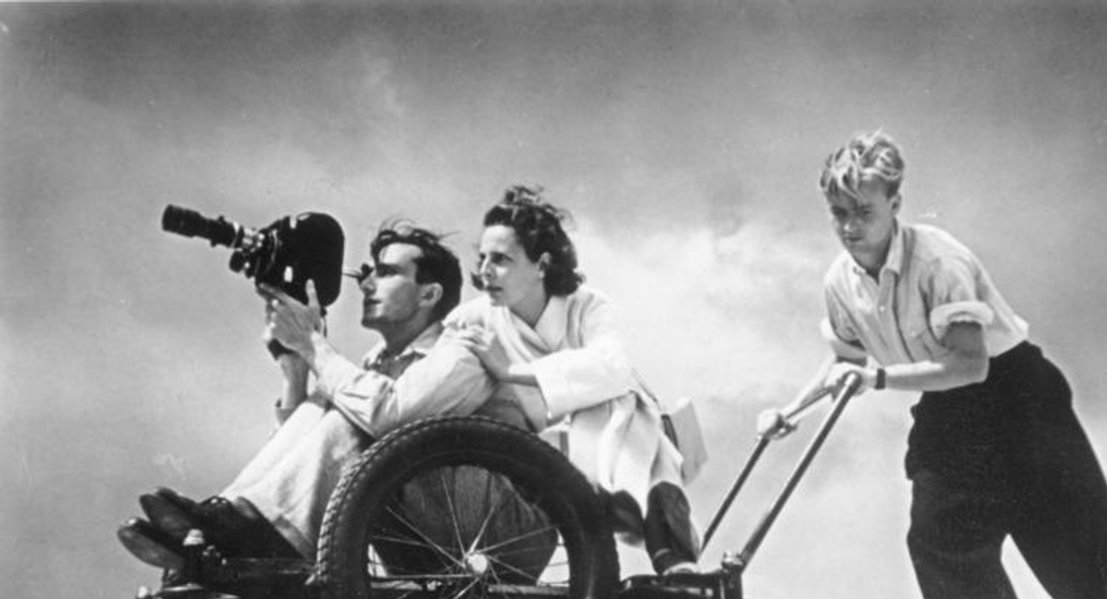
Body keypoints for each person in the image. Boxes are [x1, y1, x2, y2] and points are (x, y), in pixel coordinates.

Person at [758, 130, 1107, 599]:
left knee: (1082, 538)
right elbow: (847, 363)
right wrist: (792, 411)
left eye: (864, 211)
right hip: (948, 407)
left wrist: (881, 381)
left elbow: (971, 362)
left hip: (1019, 397)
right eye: (839, 214)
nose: (851, 226)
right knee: (938, 536)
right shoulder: (840, 281)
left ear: (895, 205)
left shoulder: (939, 260)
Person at [118, 219, 504, 566]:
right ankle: (222, 521)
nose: (366, 284)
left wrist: (313, 343)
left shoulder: (462, 349)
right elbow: (310, 449)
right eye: (367, 272)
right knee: (332, 401)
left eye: (385, 273)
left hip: (485, 536)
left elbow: (390, 415)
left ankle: (251, 528)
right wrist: (295, 369)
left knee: (352, 414)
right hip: (418, 520)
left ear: (429, 295)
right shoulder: (379, 364)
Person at [446, 185, 700, 575]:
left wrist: (509, 370)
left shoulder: (588, 306)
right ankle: (650, 528)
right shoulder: (476, 317)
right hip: (534, 449)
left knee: (615, 405)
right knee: (602, 415)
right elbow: (438, 354)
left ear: (542, 266)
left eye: (500, 260)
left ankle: (658, 534)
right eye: (482, 258)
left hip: (626, 431)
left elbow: (611, 365)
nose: (484, 271)